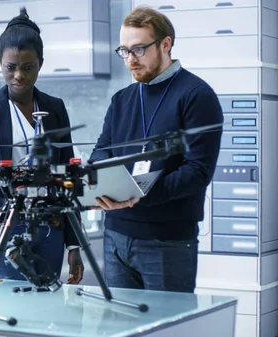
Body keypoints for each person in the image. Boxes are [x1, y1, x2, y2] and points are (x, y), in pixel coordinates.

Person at [89, 6, 223, 293]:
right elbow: (101, 152)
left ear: (166, 44)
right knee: (121, 328)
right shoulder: (121, 99)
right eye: (124, 51)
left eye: (138, 49)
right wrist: (105, 184)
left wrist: (137, 195)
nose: (130, 60)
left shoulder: (197, 96)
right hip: (114, 236)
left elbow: (197, 171)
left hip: (166, 241)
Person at [0, 7, 84, 287]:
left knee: (49, 309)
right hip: (5, 227)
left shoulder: (55, 108)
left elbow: (69, 178)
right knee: (11, 311)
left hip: (52, 226)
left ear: (40, 63)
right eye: (10, 67)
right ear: (0, 63)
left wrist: (74, 245)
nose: (18, 75)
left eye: (28, 67)